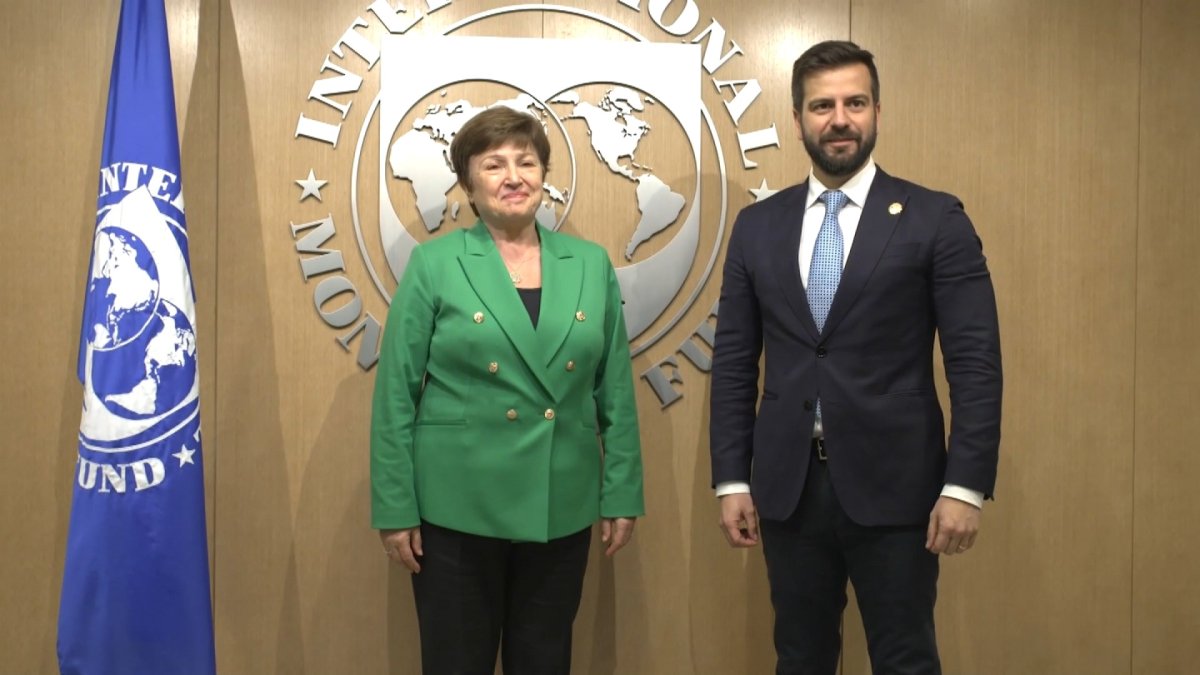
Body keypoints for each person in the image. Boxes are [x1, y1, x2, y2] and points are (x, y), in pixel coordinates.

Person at [709, 40, 1002, 674]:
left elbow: (975, 362)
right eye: (822, 105)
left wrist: (966, 485)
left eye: (855, 103)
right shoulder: (758, 227)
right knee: (800, 658)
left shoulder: (934, 219)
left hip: (900, 490)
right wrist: (733, 476)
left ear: (876, 111)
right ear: (798, 119)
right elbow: (734, 361)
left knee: (905, 658)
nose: (839, 118)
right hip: (787, 489)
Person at [370, 105, 644, 675]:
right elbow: (396, 392)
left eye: (527, 161)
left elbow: (614, 389)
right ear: (468, 182)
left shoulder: (591, 264)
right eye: (493, 165)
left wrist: (620, 491)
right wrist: (395, 506)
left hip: (559, 505)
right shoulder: (435, 263)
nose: (514, 176)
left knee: (545, 663)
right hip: (454, 510)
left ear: (545, 176)